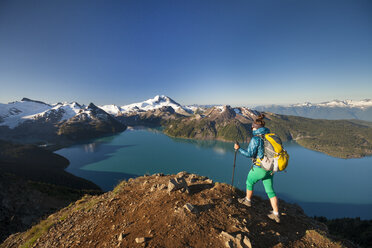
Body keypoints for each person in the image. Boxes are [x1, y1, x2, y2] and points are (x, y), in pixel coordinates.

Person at [233, 114, 280, 223]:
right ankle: (276, 214)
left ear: (255, 128)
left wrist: (238, 149)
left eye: (252, 127)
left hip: (260, 168)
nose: (251, 129)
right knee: (270, 191)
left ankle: (248, 200)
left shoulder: (256, 139)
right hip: (270, 168)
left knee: (249, 181)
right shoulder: (269, 135)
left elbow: (249, 154)